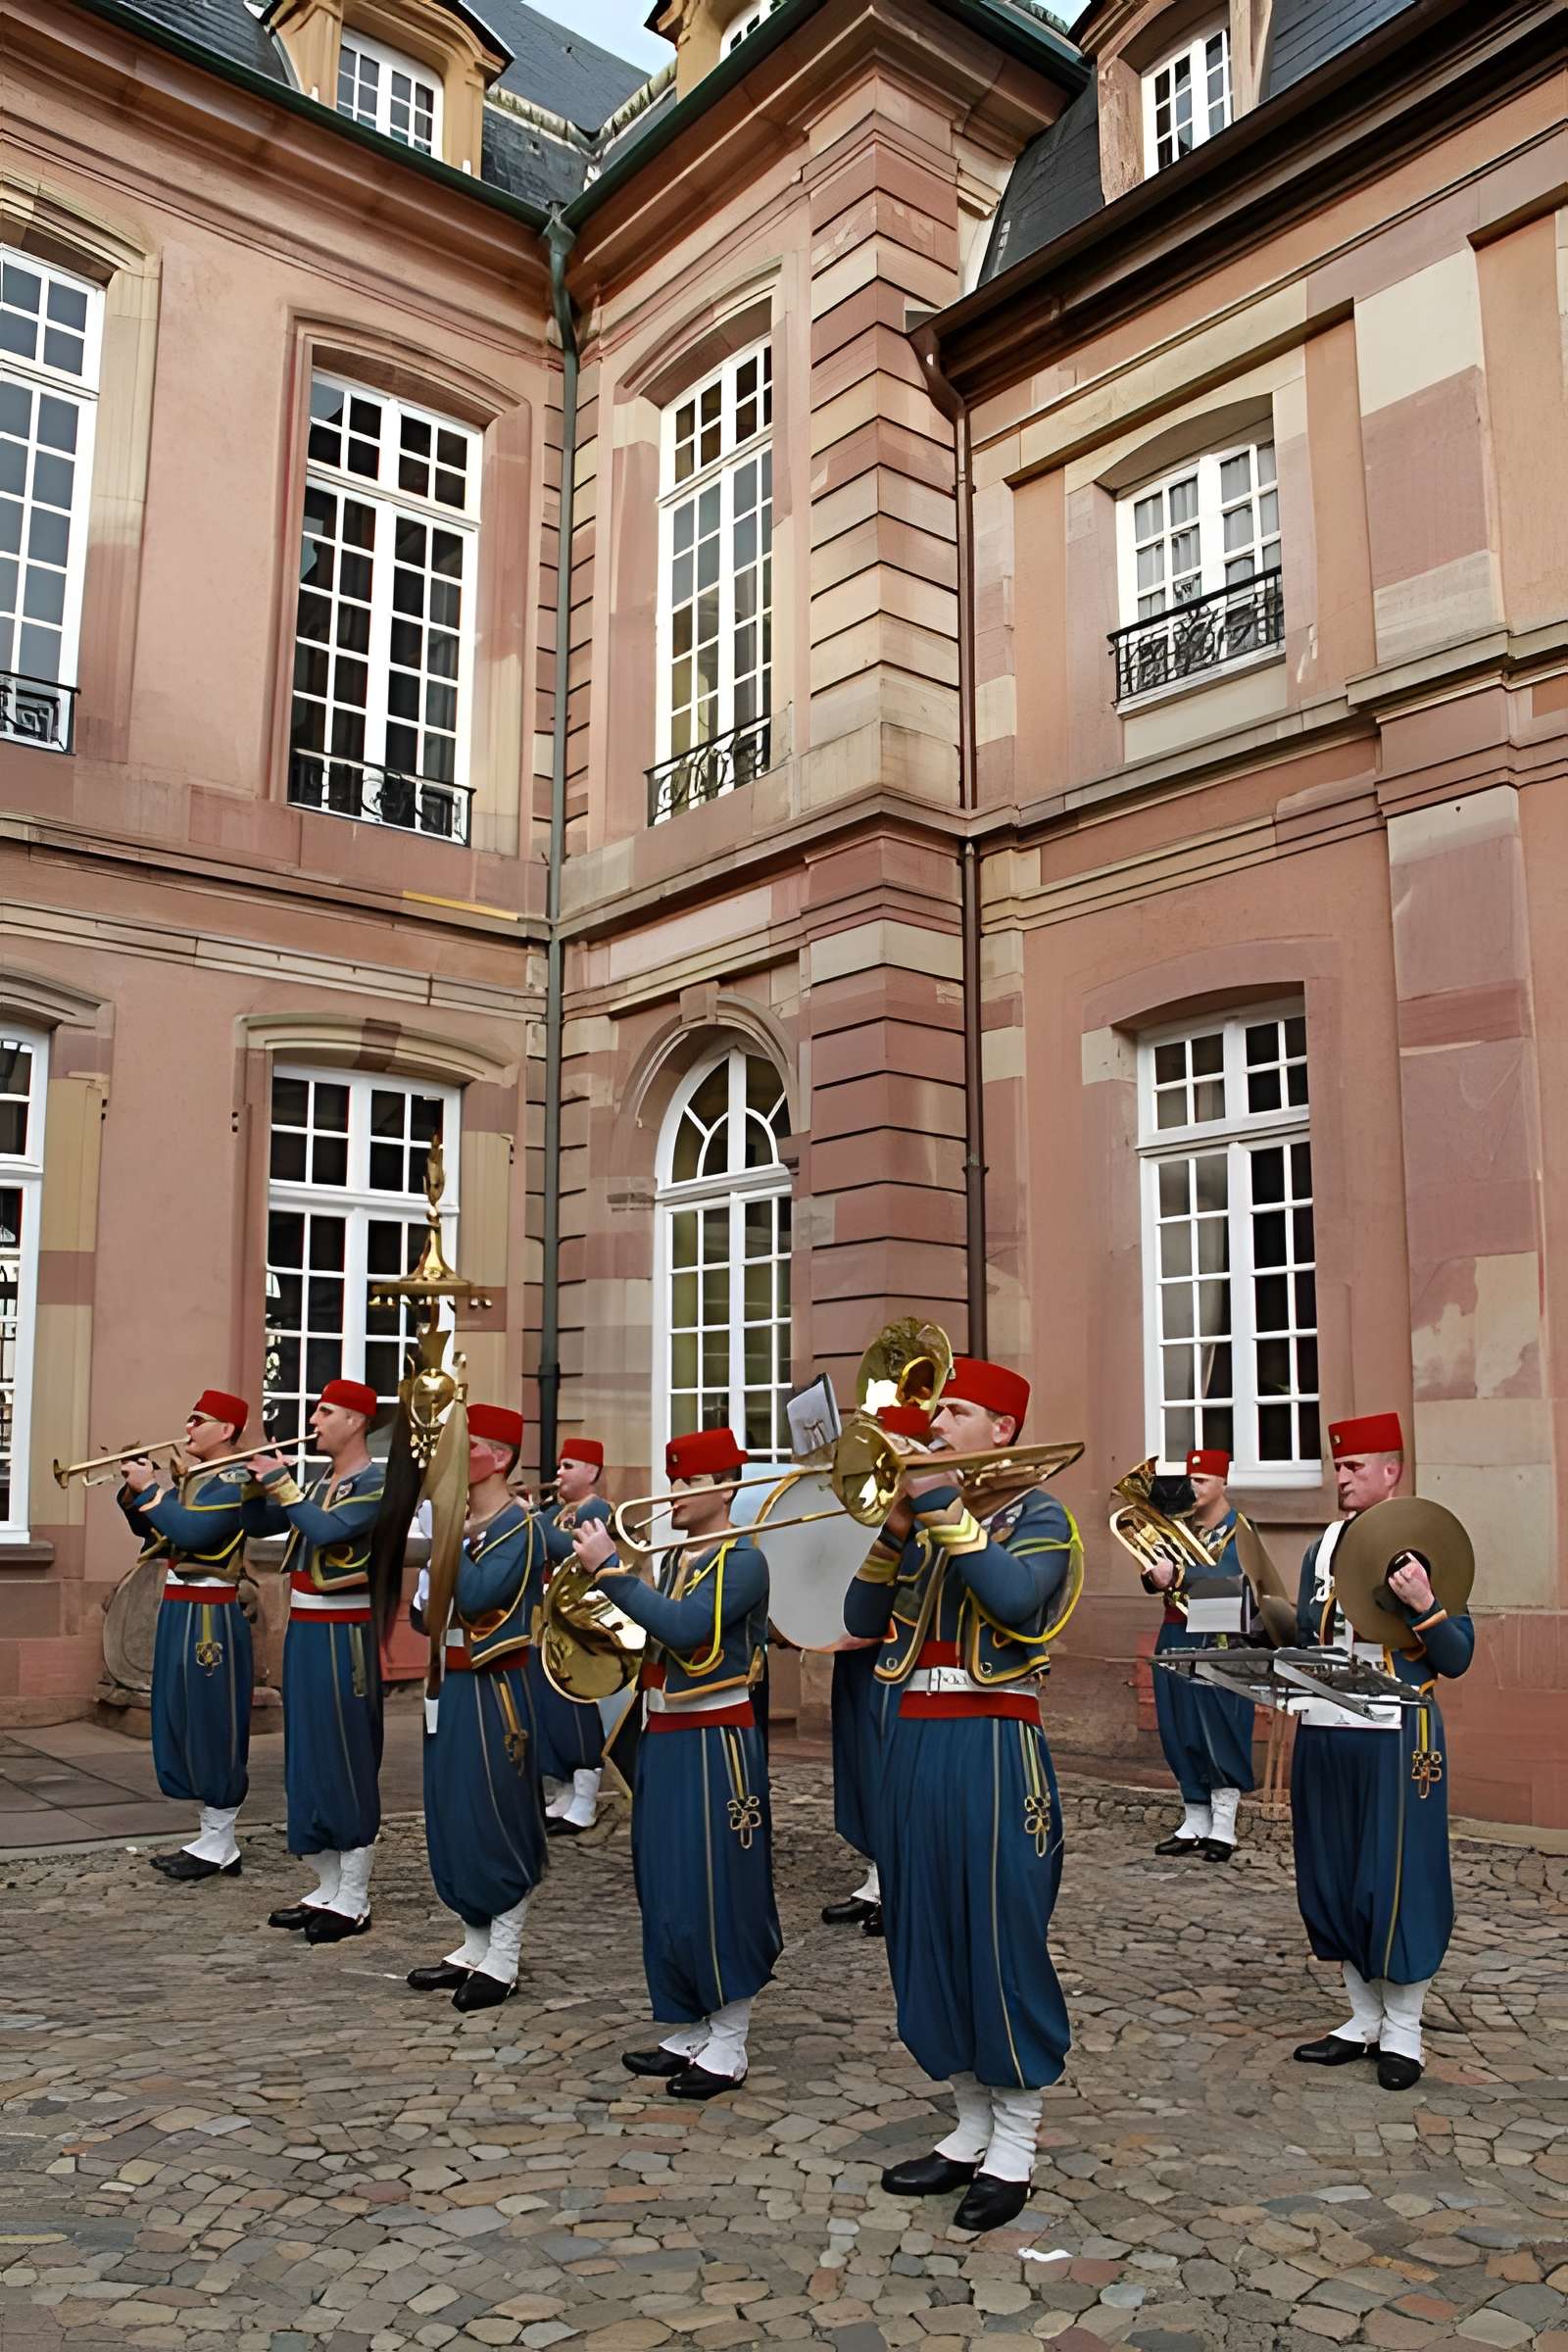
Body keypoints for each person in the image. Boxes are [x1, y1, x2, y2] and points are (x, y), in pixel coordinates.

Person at [846, 1356, 1079, 2234]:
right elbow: (859, 1621)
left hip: (991, 1738)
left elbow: (1016, 1600)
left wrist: (942, 1505)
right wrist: (896, 1526)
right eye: (936, 1411)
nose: (934, 1423)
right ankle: (968, 2123)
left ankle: (1015, 2138)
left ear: (1002, 1429)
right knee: (924, 1930)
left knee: (996, 1929)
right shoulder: (928, 1516)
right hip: (912, 1737)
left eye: (954, 1410)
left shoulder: (1041, 1515)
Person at [570, 1427, 781, 2099]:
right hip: (663, 1732)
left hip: (715, 1739)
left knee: (718, 1884)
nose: (675, 1494)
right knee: (664, 1883)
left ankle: (730, 2040)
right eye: (675, 1480)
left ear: (726, 1488)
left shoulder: (743, 1562)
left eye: (690, 1482)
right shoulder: (676, 1559)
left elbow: (687, 1629)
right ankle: (691, 2023)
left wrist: (610, 1572)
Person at [1290, 1411, 1475, 2092]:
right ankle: (1362, 2017)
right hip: (1325, 1724)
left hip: (1397, 1732)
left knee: (1397, 1878)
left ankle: (1404, 2029)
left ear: (1391, 1472)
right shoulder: (1322, 1548)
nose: (1341, 1477)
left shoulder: (1426, 1541)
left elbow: (1457, 1656)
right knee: (1332, 1871)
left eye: (1355, 1467)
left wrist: (1424, 1602)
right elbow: (1306, 1631)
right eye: (1337, 1466)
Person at [409, 1403, 549, 2012]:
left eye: (465, 1448)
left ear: (499, 1457)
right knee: (451, 1813)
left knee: (496, 1814)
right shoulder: (467, 1523)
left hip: (494, 1688)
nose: (452, 1460)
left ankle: (505, 1954)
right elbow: (425, 1617)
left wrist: (446, 1537)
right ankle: (474, 1943)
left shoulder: (519, 1526)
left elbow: (479, 1593)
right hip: (450, 1682)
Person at [246, 1379, 386, 1943]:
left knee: (344, 1753)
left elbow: (329, 1530)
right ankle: (326, 1884)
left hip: (342, 1632)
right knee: (307, 1754)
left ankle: (354, 1895)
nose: (314, 1420)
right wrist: (253, 1486)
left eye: (326, 1412)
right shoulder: (320, 1481)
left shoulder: (376, 1483)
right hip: (306, 1628)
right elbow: (262, 1525)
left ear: (356, 1421)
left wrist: (280, 1484)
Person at [118, 1389, 254, 1882]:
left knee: (211, 1719)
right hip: (180, 1605)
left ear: (227, 1430)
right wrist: (135, 1493)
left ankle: (221, 1839)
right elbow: (156, 1532)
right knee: (179, 1714)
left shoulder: (236, 1479)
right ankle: (211, 1835)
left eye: (199, 1420)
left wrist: (151, 1491)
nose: (189, 1427)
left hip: (210, 1613)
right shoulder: (196, 1478)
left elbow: (193, 1533)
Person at [1144, 1447, 1255, 1861]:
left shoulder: (1240, 1527)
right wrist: (1153, 1574)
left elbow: (1234, 1576)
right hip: (1176, 1626)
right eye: (1190, 1480)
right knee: (1179, 1723)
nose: (1193, 1487)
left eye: (1202, 1480)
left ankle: (1223, 1826)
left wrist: (1179, 1575)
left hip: (1219, 1630)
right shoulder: (1179, 1526)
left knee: (1220, 1724)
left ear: (1223, 1482)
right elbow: (1155, 1573)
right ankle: (1194, 1818)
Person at [530, 1438, 612, 1836]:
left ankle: (585, 1797)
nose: (558, 1473)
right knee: (546, 1707)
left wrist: (530, 1522)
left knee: (575, 1705)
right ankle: (562, 1790)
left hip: (579, 1619)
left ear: (591, 1472)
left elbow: (572, 1548)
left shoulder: (596, 1509)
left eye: (568, 1466)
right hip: (549, 1619)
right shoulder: (555, 1511)